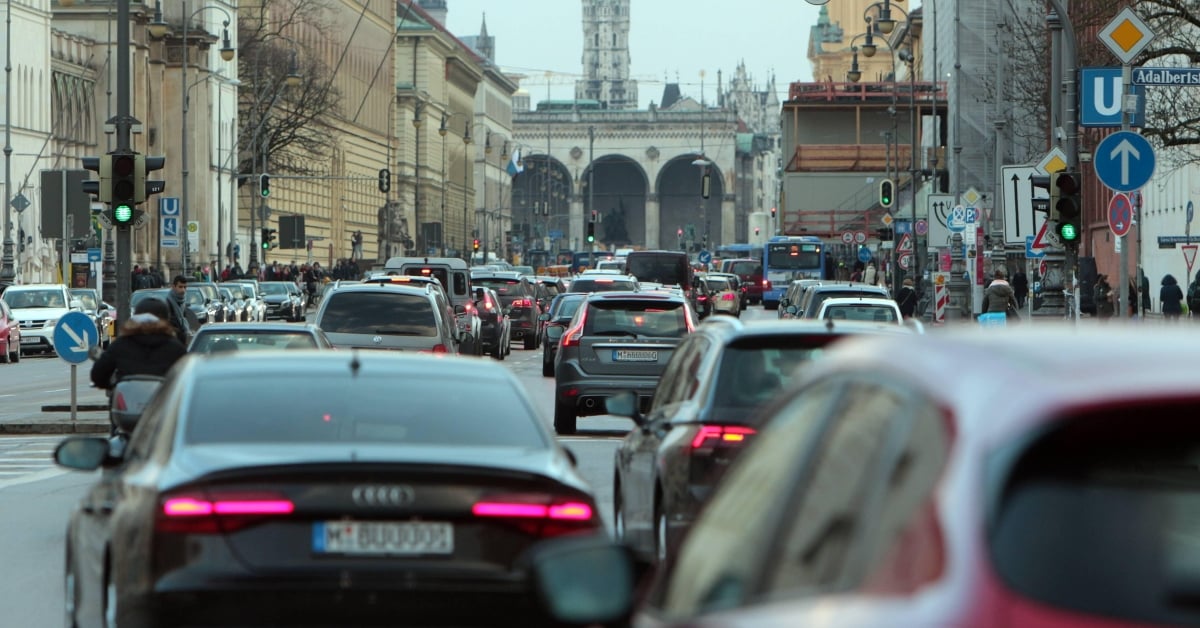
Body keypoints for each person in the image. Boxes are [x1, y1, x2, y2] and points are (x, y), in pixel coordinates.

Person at [90, 298, 187, 389]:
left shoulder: (121, 345)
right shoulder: (175, 347)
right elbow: (187, 379)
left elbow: (98, 375)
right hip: (164, 404)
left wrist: (112, 387)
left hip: (127, 403)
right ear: (166, 321)